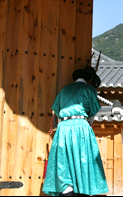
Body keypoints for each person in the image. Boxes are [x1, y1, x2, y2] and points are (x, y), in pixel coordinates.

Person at [42, 66, 108, 196]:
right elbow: (93, 112)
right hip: (81, 126)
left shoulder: (64, 89)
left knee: (63, 161)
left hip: (63, 127)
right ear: (90, 79)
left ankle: (66, 189)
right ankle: (82, 189)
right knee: (83, 159)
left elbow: (56, 109)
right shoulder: (90, 90)